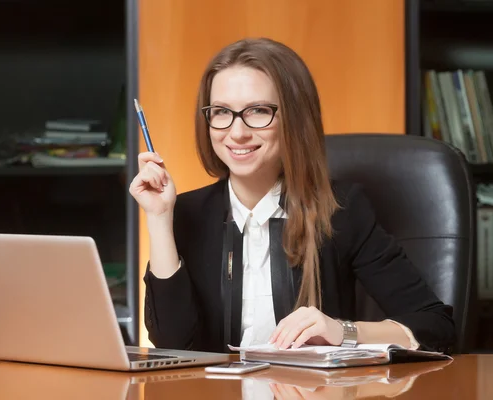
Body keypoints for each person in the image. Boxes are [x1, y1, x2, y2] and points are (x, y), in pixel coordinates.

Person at [129, 37, 456, 354]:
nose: (238, 132)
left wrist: (342, 332)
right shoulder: (187, 212)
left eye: (258, 111)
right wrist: (159, 219)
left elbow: (435, 325)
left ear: (294, 118)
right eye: (221, 112)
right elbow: (174, 345)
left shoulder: (341, 209)